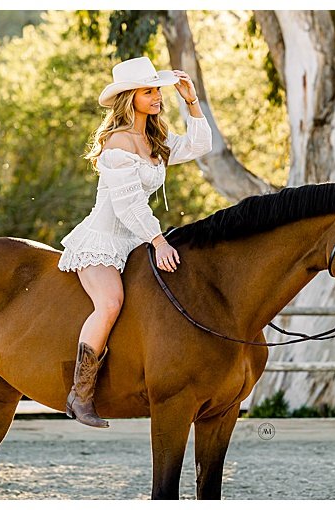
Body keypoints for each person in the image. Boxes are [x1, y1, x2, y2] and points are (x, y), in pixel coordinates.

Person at [55, 56, 212, 428]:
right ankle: (80, 394)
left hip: (136, 241)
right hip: (104, 241)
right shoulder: (117, 144)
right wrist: (159, 241)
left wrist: (191, 100)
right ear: (130, 98)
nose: (157, 96)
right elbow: (128, 205)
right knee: (110, 303)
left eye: (157, 89)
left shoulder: (153, 138)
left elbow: (200, 145)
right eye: (149, 91)